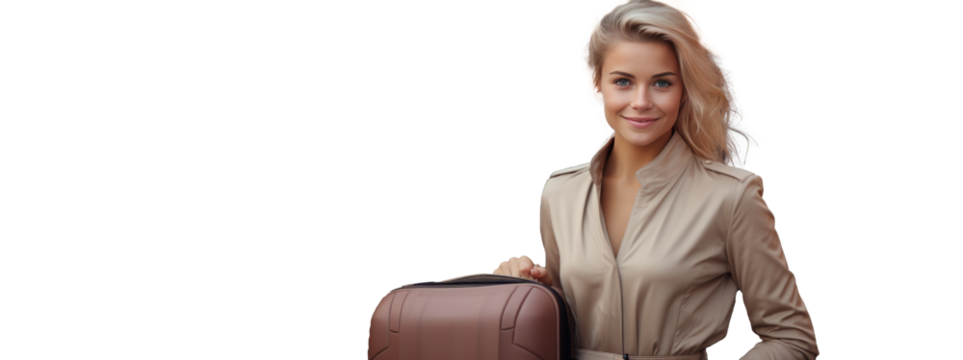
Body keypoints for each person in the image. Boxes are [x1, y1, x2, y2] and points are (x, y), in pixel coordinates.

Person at [492, 1, 818, 359]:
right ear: (597, 85)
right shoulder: (559, 192)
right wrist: (523, 286)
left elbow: (791, 338)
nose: (641, 101)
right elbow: (567, 318)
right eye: (623, 82)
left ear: (684, 90)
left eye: (662, 82)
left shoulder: (733, 196)